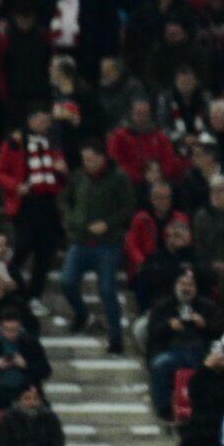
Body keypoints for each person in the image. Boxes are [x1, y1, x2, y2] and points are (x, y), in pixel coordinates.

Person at [60, 139, 134, 354]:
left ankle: (116, 338)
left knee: (107, 290)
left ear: (102, 158)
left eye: (91, 159)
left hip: (107, 244)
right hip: (80, 241)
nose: (87, 163)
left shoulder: (118, 178)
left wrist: (108, 224)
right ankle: (82, 314)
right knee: (66, 281)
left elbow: (128, 207)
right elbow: (65, 199)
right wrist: (71, 220)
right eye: (85, 159)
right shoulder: (79, 176)